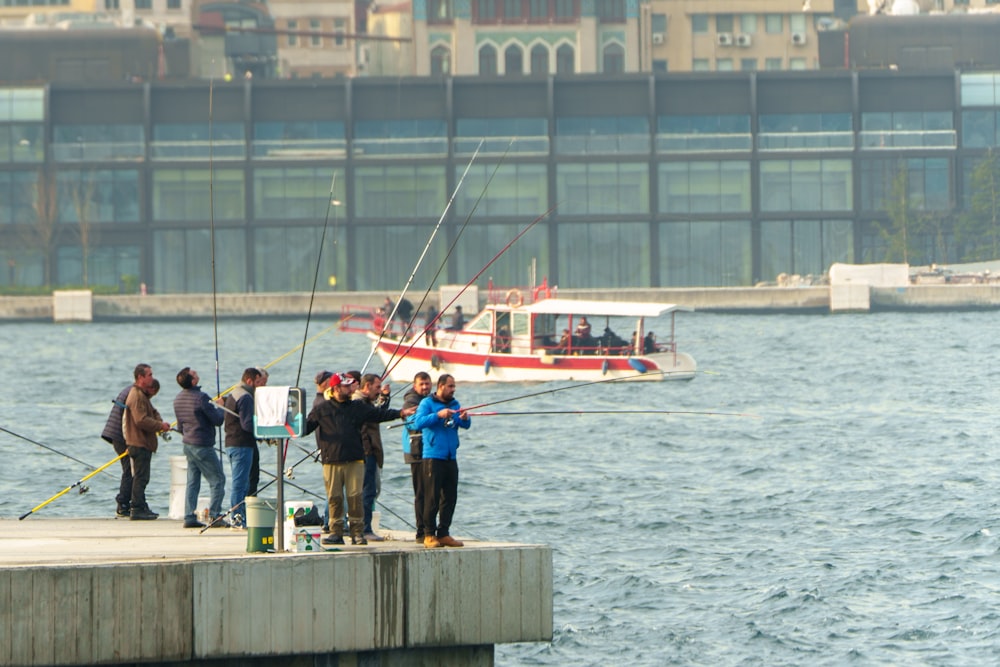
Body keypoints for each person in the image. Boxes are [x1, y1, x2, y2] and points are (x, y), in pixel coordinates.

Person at [304, 372, 415, 546]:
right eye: (346, 386)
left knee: (355, 496)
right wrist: (286, 427)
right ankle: (336, 532)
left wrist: (401, 413)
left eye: (350, 385)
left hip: (355, 459)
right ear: (335, 388)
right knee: (334, 497)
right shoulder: (321, 409)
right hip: (331, 460)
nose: (350, 389)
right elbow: (305, 428)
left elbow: (379, 415)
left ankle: (357, 533)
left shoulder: (357, 406)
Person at [412, 374, 471, 548]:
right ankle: (429, 534)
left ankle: (444, 532)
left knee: (450, 497)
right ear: (441, 386)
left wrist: (465, 419)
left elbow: (464, 424)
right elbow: (418, 422)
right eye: (450, 387)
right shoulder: (427, 403)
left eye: (454, 387)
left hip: (450, 457)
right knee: (432, 497)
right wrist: (438, 415)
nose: (453, 390)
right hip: (433, 457)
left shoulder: (455, 404)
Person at [173, 367, 227, 529]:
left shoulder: (178, 399)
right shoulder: (201, 398)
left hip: (187, 444)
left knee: (192, 481)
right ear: (193, 380)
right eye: (195, 374)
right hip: (202, 444)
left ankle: (189, 516)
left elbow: (181, 425)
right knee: (218, 480)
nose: (197, 374)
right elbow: (217, 420)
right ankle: (215, 515)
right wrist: (221, 406)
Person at [122, 364, 170, 520]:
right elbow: (141, 420)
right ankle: (136, 508)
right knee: (140, 477)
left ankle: (141, 505)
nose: (152, 377)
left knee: (143, 477)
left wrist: (159, 422)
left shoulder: (142, 395)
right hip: (138, 442)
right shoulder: (136, 395)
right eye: (149, 374)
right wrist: (159, 426)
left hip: (143, 443)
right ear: (140, 377)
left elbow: (152, 412)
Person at [224, 367, 265, 528]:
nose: (260, 387)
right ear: (250, 380)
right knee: (240, 484)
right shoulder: (246, 397)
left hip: (232, 443)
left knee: (241, 483)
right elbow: (247, 424)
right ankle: (237, 518)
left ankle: (241, 516)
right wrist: (263, 431)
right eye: (259, 383)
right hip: (241, 444)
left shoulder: (235, 392)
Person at [357, 373, 391, 541]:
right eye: (377, 387)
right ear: (367, 386)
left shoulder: (367, 404)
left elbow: (378, 415)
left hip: (370, 453)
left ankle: (363, 527)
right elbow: (363, 430)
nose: (379, 390)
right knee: (367, 491)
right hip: (366, 454)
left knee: (369, 490)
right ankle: (365, 529)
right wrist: (368, 450)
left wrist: (385, 397)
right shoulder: (360, 404)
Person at [401, 371, 432, 543]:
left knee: (432, 492)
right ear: (415, 386)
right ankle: (421, 531)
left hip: (430, 450)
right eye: (422, 384)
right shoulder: (411, 401)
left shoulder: (431, 400)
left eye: (427, 383)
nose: (425, 387)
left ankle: (430, 529)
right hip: (416, 451)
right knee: (421, 492)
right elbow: (413, 423)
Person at [102, 373, 137, 518]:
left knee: (131, 470)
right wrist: (129, 442)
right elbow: (126, 420)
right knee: (129, 470)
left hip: (117, 435)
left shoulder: (131, 391)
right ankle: (123, 503)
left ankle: (126, 503)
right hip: (120, 437)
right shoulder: (133, 394)